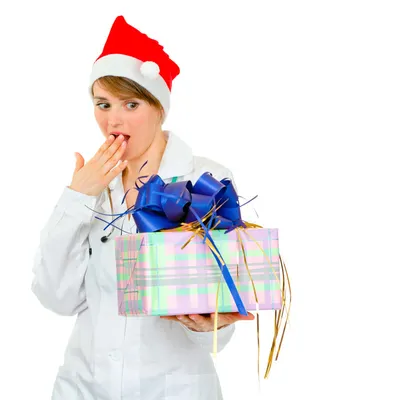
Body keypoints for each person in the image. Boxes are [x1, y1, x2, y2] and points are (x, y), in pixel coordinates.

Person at [31, 15, 254, 399]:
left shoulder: (205, 179)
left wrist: (213, 322)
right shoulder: (91, 187)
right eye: (103, 104)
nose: (113, 120)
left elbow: (222, 315)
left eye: (130, 104)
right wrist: (77, 198)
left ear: (158, 108)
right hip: (84, 387)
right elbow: (56, 297)